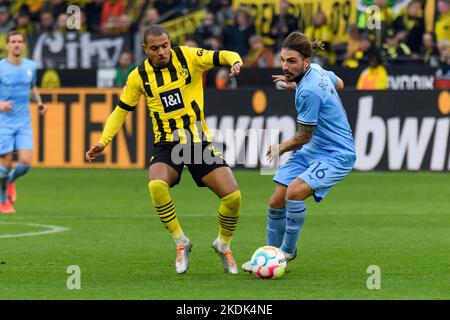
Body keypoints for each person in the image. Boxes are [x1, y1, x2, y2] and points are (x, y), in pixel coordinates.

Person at [86, 25, 243, 274]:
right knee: (156, 185)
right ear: (145, 49)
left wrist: (234, 61)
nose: (162, 52)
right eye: (155, 48)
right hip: (167, 144)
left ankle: (223, 244)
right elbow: (121, 110)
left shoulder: (188, 56)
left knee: (233, 196)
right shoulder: (138, 76)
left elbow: (221, 55)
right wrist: (104, 141)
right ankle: (181, 242)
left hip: (199, 142)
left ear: (171, 43)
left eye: (165, 46)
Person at [241, 32, 355, 272]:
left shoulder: (308, 91)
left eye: (291, 61)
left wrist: (279, 147)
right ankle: (269, 256)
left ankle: (287, 252)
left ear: (306, 62)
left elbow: (304, 136)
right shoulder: (317, 71)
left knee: (294, 192)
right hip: (315, 150)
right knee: (276, 200)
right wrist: (298, 83)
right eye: (283, 60)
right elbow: (340, 83)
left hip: (337, 154)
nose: (285, 66)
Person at [0, 31, 48, 214]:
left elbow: (32, 87)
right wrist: (1, 104)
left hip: (23, 123)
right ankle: (3, 200)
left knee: (25, 163)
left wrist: (40, 103)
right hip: (4, 123)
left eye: (20, 41)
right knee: (5, 164)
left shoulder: (30, 66)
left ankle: (9, 182)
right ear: (7, 45)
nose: (17, 45)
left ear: (23, 45)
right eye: (13, 42)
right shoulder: (1, 67)